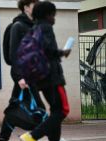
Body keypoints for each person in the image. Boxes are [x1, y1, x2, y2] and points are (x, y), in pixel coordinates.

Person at [18, 1, 70, 141]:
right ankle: (32, 136)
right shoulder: (46, 28)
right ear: (47, 15)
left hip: (42, 79)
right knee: (62, 110)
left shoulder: (33, 29)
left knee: (54, 111)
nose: (54, 18)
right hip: (53, 78)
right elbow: (48, 50)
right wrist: (62, 52)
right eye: (53, 15)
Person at [0, 0, 45, 141]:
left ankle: (4, 138)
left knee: (14, 108)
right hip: (22, 75)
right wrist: (19, 77)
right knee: (41, 110)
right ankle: (40, 136)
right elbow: (14, 54)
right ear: (26, 8)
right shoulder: (18, 26)